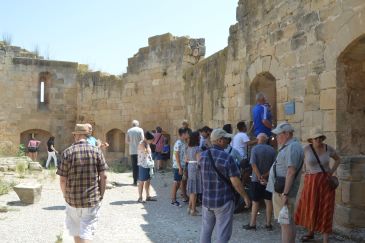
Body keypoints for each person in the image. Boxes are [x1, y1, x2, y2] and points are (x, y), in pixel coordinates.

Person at [56, 124, 107, 243]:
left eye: (74, 135)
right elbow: (103, 176)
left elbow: (62, 179)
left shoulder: (67, 152)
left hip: (72, 199)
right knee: (87, 231)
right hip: (91, 199)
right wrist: (101, 195)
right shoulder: (97, 151)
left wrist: (65, 195)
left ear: (77, 135)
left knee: (76, 231)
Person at [200, 128, 251, 243]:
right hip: (223, 201)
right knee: (223, 233)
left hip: (207, 200)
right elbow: (236, 182)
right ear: (220, 140)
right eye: (226, 139)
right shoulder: (227, 158)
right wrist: (245, 196)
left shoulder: (202, 156)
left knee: (206, 231)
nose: (228, 141)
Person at [295, 128, 341, 243]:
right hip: (311, 182)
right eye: (316, 138)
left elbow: (338, 159)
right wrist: (304, 171)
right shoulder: (306, 149)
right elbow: (298, 162)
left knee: (326, 208)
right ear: (311, 139)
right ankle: (311, 232)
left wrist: (332, 171)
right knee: (311, 206)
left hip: (326, 182)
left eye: (320, 137)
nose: (319, 140)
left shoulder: (328, 148)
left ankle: (325, 238)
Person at [266, 122, 304, 243]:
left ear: (287, 134)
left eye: (278, 134)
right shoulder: (291, 146)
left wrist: (285, 194)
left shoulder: (292, 147)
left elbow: (291, 171)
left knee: (285, 224)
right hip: (282, 189)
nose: (276, 137)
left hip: (282, 191)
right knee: (288, 222)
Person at [244, 133, 276, 231]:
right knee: (268, 201)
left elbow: (253, 164)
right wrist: (265, 176)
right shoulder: (272, 150)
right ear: (266, 140)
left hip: (256, 180)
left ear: (258, 139)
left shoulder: (255, 149)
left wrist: (259, 177)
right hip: (269, 179)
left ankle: (253, 224)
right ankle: (268, 224)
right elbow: (274, 166)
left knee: (255, 201)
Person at [171, 127, 189, 207]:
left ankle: (184, 196)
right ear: (183, 134)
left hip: (183, 165)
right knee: (177, 182)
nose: (188, 135)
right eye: (187, 133)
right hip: (178, 166)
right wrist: (179, 167)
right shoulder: (178, 143)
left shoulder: (184, 142)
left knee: (183, 181)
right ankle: (173, 199)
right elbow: (176, 155)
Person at [137, 131, 157, 203]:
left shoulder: (147, 144)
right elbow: (146, 152)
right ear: (147, 138)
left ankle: (148, 196)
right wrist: (148, 148)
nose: (152, 141)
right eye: (151, 140)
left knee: (148, 181)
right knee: (141, 181)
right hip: (143, 165)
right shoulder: (141, 143)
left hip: (148, 164)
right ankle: (140, 197)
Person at [186, 131, 202, 216]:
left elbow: (187, 159)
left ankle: (190, 207)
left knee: (192, 188)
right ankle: (193, 210)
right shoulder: (197, 148)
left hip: (190, 167)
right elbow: (199, 161)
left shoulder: (188, 147)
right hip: (195, 168)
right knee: (194, 190)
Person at [126, 120, 144, 186]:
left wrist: (131, 143)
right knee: (140, 165)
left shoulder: (129, 131)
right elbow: (142, 139)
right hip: (140, 150)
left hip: (132, 151)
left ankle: (134, 181)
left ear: (132, 124)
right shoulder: (140, 130)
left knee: (134, 166)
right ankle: (140, 180)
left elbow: (127, 141)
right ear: (137, 124)